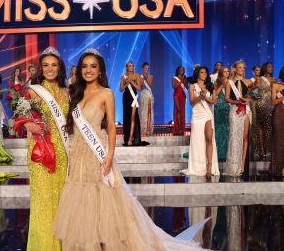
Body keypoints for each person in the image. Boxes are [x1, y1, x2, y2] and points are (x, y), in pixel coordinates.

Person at [54, 48, 206, 250]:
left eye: (93, 66)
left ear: (100, 70)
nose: (88, 70)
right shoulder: (75, 92)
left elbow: (109, 127)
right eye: (84, 66)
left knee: (104, 199)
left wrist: (109, 155)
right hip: (78, 153)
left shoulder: (106, 93)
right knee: (81, 199)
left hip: (97, 153)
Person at [23, 47, 69, 250]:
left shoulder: (67, 92)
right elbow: (20, 117)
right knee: (43, 199)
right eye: (46, 65)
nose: (50, 69)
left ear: (60, 67)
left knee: (61, 199)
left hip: (62, 151)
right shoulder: (34, 90)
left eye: (54, 65)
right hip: (40, 150)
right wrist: (27, 125)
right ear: (40, 68)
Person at [185, 66, 220, 177]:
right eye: (202, 72)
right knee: (197, 140)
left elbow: (214, 101)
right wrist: (200, 96)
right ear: (197, 74)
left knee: (209, 139)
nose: (204, 74)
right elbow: (191, 102)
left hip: (207, 114)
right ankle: (199, 166)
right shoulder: (192, 86)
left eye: (205, 72)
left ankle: (209, 167)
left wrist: (206, 98)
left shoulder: (210, 86)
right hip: (197, 114)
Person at [224, 61, 253, 176]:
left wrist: (248, 100)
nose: (242, 69)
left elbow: (256, 95)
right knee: (234, 136)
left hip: (245, 110)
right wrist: (237, 101)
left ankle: (242, 164)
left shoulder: (249, 82)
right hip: (234, 110)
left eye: (244, 67)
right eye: (240, 67)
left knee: (245, 136)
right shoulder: (230, 82)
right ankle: (232, 165)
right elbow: (227, 98)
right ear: (235, 69)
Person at [120, 61, 145, 146]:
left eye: (132, 66)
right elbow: (121, 89)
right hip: (126, 97)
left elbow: (139, 88)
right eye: (130, 66)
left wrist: (132, 81)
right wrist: (127, 82)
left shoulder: (137, 75)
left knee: (133, 118)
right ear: (126, 67)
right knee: (127, 118)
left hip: (133, 97)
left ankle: (131, 137)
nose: (131, 67)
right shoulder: (123, 77)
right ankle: (127, 137)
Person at [213, 67, 230, 162]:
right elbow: (215, 95)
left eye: (228, 71)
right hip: (219, 107)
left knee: (226, 128)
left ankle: (226, 151)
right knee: (219, 128)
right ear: (221, 73)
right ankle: (218, 152)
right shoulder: (217, 82)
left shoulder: (231, 82)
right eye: (224, 71)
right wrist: (222, 86)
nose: (227, 73)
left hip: (228, 107)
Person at [139, 62, 154, 136]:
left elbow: (150, 84)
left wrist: (145, 77)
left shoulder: (150, 76)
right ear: (143, 69)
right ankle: (143, 129)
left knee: (149, 111)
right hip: (143, 94)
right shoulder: (140, 77)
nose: (147, 70)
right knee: (143, 112)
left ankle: (148, 128)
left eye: (148, 68)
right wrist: (142, 78)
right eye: (145, 68)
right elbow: (139, 87)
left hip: (148, 94)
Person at [173, 66, 187, 136]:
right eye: (181, 69)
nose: (182, 70)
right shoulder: (174, 78)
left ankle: (181, 129)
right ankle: (177, 128)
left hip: (183, 96)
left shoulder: (185, 78)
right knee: (178, 111)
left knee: (182, 112)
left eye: (183, 69)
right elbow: (174, 87)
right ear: (178, 70)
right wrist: (181, 81)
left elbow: (187, 87)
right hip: (176, 96)